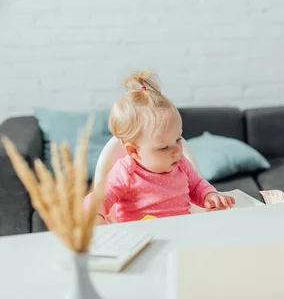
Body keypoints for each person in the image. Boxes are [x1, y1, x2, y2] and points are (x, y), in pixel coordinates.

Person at [84, 71, 235, 224]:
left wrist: (210, 196)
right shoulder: (126, 172)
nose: (176, 150)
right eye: (163, 148)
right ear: (134, 151)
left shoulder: (182, 165)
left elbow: (197, 186)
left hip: (183, 232)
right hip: (143, 239)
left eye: (178, 139)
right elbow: (100, 198)